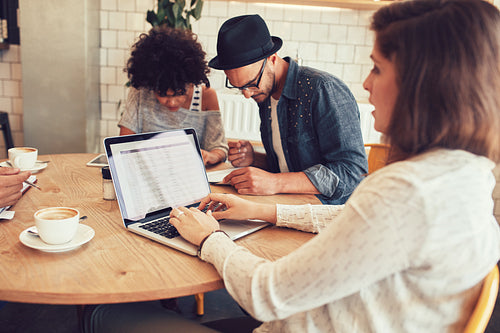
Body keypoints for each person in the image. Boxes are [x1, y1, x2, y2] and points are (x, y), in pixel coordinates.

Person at [84, 0, 500, 332]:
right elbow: (351, 221)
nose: (367, 83)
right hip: (315, 306)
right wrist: (260, 207)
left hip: (292, 311)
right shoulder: (469, 173)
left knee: (102, 315)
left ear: (423, 83)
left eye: (376, 67)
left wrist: (211, 239)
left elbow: (270, 294)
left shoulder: (402, 189)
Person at [208, 14, 367, 204]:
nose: (247, 95)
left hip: (329, 214)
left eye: (251, 84)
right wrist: (255, 159)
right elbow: (291, 166)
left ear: (273, 59)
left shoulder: (322, 89)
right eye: (239, 87)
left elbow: (352, 172)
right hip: (287, 205)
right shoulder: (265, 95)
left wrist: (275, 183)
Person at [119, 26, 228, 166]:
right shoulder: (140, 92)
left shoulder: (206, 97)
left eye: (179, 93)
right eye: (162, 94)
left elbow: (219, 148)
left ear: (191, 82)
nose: (171, 102)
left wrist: (211, 155)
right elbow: (124, 144)